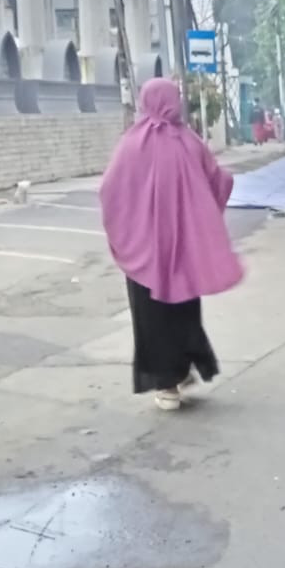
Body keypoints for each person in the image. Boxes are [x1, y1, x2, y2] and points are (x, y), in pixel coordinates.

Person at [100, 78, 243, 411]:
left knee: (151, 317)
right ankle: (181, 370)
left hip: (144, 253)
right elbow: (217, 180)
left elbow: (110, 189)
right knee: (183, 310)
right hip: (182, 250)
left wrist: (127, 227)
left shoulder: (131, 144)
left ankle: (166, 385)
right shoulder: (188, 141)